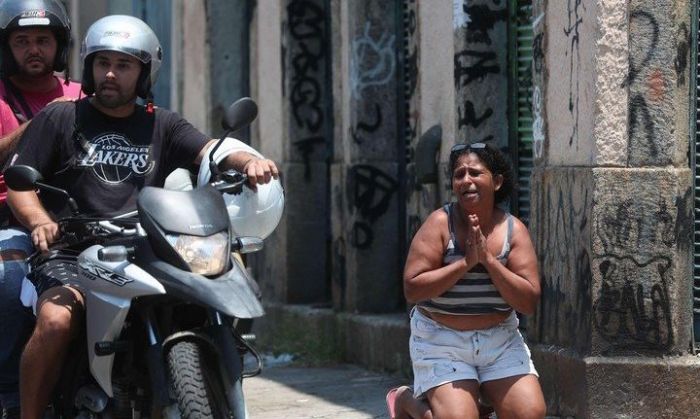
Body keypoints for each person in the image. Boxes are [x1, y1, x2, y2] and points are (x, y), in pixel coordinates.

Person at [5, 15, 278, 418]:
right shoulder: (60, 118)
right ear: (89, 67)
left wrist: (248, 162)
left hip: (143, 245)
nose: (110, 74)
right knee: (56, 319)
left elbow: (208, 151)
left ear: (144, 71)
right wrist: (40, 222)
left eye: (124, 65)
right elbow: (20, 184)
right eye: (102, 63)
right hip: (71, 252)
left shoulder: (161, 123)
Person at [389, 142, 545, 419]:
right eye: (459, 174)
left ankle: (477, 400)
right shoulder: (439, 223)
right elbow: (412, 288)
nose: (466, 180)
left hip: (500, 340)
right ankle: (406, 400)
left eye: (475, 172)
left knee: (529, 414)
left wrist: (489, 260)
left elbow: (528, 301)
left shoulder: (514, 230)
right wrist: (465, 263)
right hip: (441, 340)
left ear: (497, 182)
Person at [0, 1, 81, 417]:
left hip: (81, 217)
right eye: (22, 41)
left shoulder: (81, 93)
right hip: (10, 219)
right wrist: (41, 125)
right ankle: (12, 397)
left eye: (43, 40)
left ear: (59, 45)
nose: (34, 49)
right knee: (10, 277)